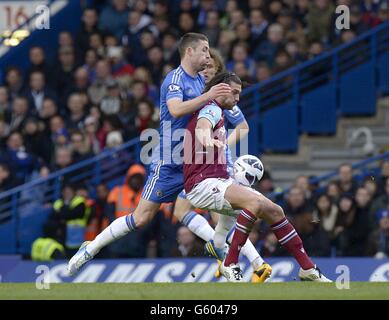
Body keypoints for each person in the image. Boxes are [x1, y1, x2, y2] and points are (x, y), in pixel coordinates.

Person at [67, 32, 231, 275]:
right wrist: (209, 96)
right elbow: (175, 110)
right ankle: (90, 248)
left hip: (193, 162)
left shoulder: (199, 81)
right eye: (204, 49)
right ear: (190, 51)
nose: (208, 54)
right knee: (141, 218)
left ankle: (228, 259)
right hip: (169, 162)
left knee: (220, 206)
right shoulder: (174, 79)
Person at [182, 71, 331, 282]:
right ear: (222, 89)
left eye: (239, 93)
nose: (237, 98)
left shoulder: (219, 113)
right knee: (254, 202)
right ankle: (230, 263)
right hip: (201, 184)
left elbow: (237, 127)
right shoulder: (211, 109)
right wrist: (207, 141)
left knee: (274, 210)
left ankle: (307, 268)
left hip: (219, 180)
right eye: (234, 92)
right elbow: (202, 128)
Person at [172, 48, 271, 282]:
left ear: (218, 73)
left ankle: (253, 263)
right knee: (194, 213)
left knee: (218, 217)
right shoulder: (197, 94)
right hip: (196, 160)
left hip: (212, 165)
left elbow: (243, 127)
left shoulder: (221, 98)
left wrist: (222, 142)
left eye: (210, 68)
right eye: (203, 67)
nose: (205, 71)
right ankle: (232, 255)